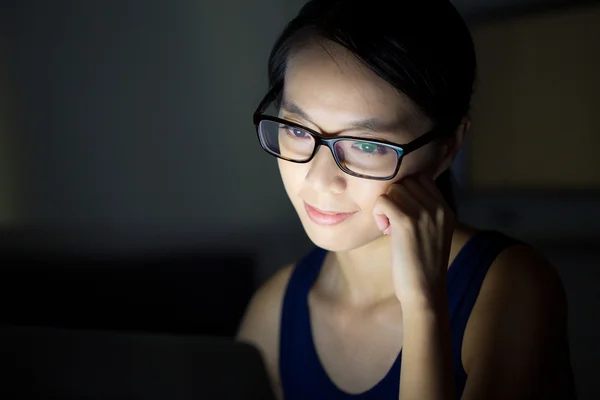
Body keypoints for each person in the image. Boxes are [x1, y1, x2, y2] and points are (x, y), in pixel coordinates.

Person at [236, 0, 576, 399]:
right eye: (296, 129)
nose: (319, 178)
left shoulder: (509, 287)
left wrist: (423, 305)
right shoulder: (274, 310)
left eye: (365, 144)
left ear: (447, 149)